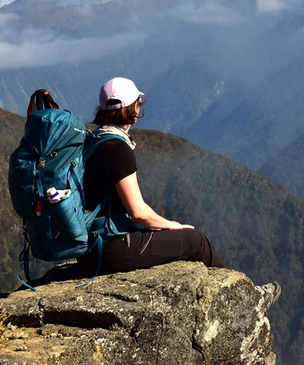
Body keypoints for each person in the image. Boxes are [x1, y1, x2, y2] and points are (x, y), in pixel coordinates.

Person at [76, 76, 223, 276]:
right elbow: (138, 212)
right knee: (195, 241)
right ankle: (233, 295)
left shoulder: (94, 141)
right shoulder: (117, 149)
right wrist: (174, 226)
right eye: (137, 103)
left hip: (90, 249)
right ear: (133, 109)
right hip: (111, 250)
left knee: (174, 234)